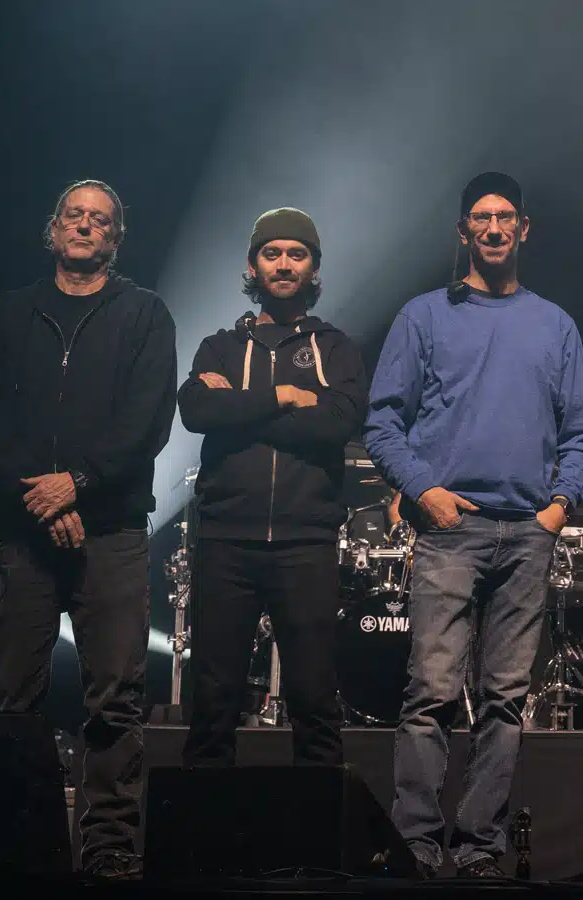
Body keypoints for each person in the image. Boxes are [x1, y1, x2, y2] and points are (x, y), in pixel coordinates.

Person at [364, 172, 583, 878]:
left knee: (505, 698)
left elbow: (582, 433)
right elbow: (382, 424)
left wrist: (557, 509)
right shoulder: (424, 316)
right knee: (431, 691)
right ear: (463, 231)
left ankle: (480, 846)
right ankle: (417, 844)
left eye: (505, 218)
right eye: (480, 219)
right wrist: (425, 491)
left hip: (528, 532)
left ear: (524, 229)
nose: (493, 229)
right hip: (450, 527)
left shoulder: (554, 323)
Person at [0, 179, 176, 879]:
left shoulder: (145, 315)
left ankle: (109, 845)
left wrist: (79, 485)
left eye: (100, 220)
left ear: (116, 238)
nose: (85, 226)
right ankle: (10, 836)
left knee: (115, 696)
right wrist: (45, 499)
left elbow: (148, 421)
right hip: (24, 533)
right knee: (11, 695)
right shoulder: (9, 313)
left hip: (112, 532)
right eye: (74, 215)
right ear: (52, 227)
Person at [177, 207, 368, 769]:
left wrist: (238, 406)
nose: (284, 264)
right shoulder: (218, 345)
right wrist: (286, 395)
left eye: (297, 254)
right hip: (225, 540)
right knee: (214, 699)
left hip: (305, 541)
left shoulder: (335, 348)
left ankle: (319, 850)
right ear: (253, 265)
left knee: (313, 697)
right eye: (272, 253)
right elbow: (194, 409)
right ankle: (203, 849)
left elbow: (338, 422)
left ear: (313, 268)